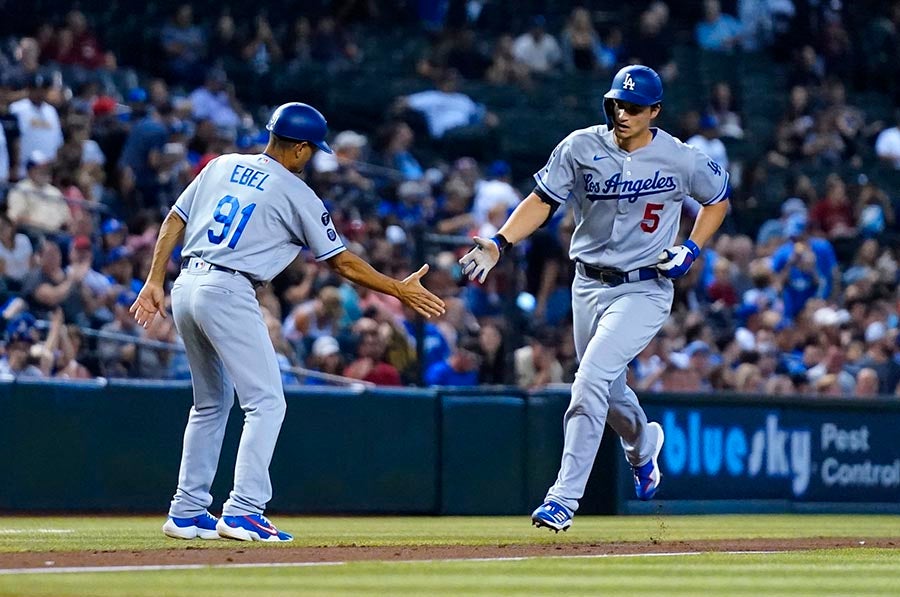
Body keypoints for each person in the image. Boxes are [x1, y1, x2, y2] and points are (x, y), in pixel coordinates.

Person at [131, 102, 444, 543]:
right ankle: (243, 509)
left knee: (209, 405)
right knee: (267, 402)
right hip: (228, 289)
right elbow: (343, 263)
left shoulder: (222, 165)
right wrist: (397, 288)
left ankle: (186, 510)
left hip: (186, 284)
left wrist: (153, 280)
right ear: (299, 149)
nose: (311, 157)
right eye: (311, 150)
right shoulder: (296, 192)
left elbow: (175, 218)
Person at [459, 65, 729, 532]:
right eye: (617, 104)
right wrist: (499, 241)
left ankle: (563, 498)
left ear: (655, 112)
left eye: (635, 107)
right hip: (587, 284)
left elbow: (718, 198)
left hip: (645, 287)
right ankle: (644, 444)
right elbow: (542, 200)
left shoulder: (680, 157)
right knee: (609, 388)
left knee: (588, 381)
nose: (623, 113)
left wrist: (692, 247)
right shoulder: (580, 145)